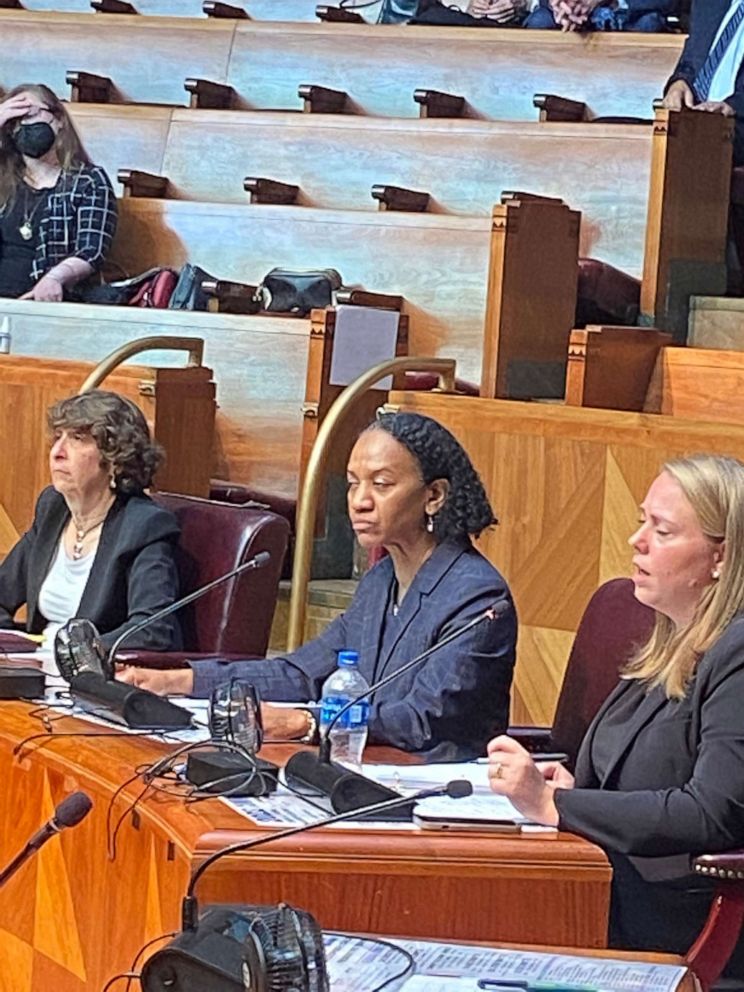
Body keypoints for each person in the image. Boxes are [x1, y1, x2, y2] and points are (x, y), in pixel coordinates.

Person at [119, 411, 518, 760]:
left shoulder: (476, 598)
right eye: (351, 483)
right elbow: (301, 674)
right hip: (365, 771)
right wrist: (174, 681)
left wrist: (304, 722)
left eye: (381, 484)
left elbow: (423, 719)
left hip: (440, 795)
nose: (359, 500)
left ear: (434, 495)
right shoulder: (381, 581)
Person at [487, 454, 744, 978]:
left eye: (663, 530)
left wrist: (555, 803)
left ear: (721, 557)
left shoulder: (737, 655)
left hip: (676, 917)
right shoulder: (667, 642)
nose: (638, 541)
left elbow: (711, 813)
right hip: (607, 886)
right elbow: (636, 772)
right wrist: (576, 785)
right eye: (641, 521)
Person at [0, 390, 182, 658]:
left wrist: (71, 652)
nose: (57, 453)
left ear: (115, 460)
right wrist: (13, 648)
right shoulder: (54, 508)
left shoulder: (144, 525)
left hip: (93, 679)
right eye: (57, 437)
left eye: (77, 439)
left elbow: (152, 630)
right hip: (34, 672)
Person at [0, 83, 117, 301]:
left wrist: (55, 278)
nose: (25, 124)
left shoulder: (87, 181)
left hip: (51, 302)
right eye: (14, 121)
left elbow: (91, 250)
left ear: (59, 119)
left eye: (31, 113)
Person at [663, 0, 744, 165]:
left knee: (690, 147)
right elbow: (689, 62)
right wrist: (679, 83)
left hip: (737, 123)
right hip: (695, 116)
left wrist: (732, 106)